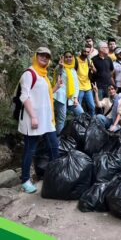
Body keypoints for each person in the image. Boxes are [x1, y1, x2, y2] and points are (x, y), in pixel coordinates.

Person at [18, 47, 61, 193]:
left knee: (54, 146)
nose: (44, 58)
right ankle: (25, 180)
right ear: (36, 56)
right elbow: (25, 96)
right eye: (41, 55)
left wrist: (55, 87)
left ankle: (55, 176)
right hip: (33, 120)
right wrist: (34, 117)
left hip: (47, 119)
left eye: (47, 56)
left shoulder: (43, 75)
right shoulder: (29, 73)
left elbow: (44, 95)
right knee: (30, 150)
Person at [53, 51, 84, 135]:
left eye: (70, 57)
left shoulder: (73, 69)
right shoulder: (60, 67)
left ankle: (75, 133)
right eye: (66, 57)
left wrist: (75, 98)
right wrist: (60, 67)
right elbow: (57, 78)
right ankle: (59, 139)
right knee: (61, 118)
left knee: (81, 113)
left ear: (73, 58)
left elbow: (76, 85)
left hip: (71, 97)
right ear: (63, 58)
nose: (68, 58)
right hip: (60, 96)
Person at [76, 47, 96, 117]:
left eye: (87, 52)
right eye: (84, 51)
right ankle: (78, 123)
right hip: (79, 87)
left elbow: (95, 71)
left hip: (87, 87)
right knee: (78, 108)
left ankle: (92, 122)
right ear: (81, 51)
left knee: (92, 106)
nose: (86, 53)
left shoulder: (89, 60)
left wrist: (92, 68)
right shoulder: (76, 60)